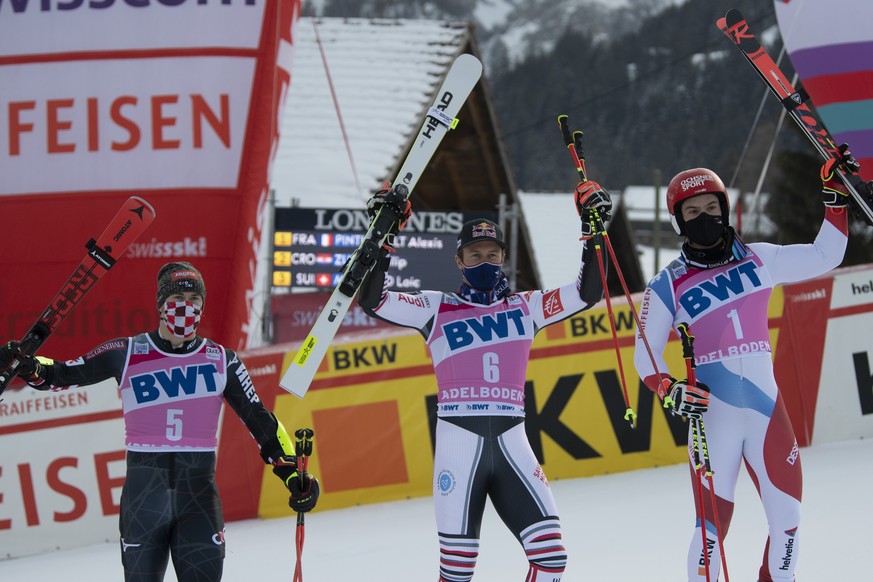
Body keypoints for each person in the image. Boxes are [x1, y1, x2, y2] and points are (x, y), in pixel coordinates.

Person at [0, 262, 319, 582]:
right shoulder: (125, 352)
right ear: (161, 304)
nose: (187, 306)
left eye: (195, 300)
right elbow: (62, 375)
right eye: (178, 296)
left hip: (198, 500)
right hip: (144, 500)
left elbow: (260, 421)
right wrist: (29, 367)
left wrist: (291, 470)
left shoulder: (222, 360)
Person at [357, 181, 612, 581]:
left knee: (551, 557)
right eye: (474, 254)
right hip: (459, 444)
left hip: (513, 441)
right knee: (457, 570)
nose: (484, 261)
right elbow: (373, 299)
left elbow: (588, 292)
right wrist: (385, 235)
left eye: (492, 254)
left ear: (504, 259)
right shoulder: (435, 307)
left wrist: (593, 230)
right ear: (459, 261)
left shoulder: (526, 306)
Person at [633, 150, 869, 582]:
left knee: (789, 521)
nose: (704, 216)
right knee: (711, 531)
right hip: (714, 418)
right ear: (678, 222)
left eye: (711, 208)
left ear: (725, 210)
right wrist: (669, 388)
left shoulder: (760, 257)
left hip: (766, 413)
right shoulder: (665, 283)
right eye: (693, 211)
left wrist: (836, 200)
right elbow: (643, 353)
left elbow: (825, 255)